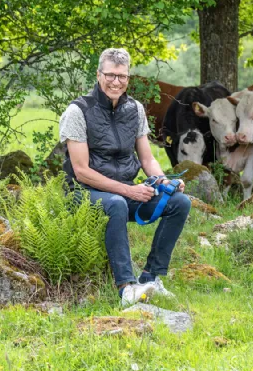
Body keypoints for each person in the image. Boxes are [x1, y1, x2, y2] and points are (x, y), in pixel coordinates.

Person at [59, 48, 190, 306]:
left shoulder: (135, 109)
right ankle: (126, 288)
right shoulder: (78, 111)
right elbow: (81, 170)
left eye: (122, 76)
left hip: (123, 191)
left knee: (179, 203)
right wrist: (129, 191)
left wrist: (164, 181)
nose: (116, 82)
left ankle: (151, 277)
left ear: (128, 78)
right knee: (117, 203)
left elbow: (147, 159)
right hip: (83, 193)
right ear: (99, 75)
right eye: (110, 75)